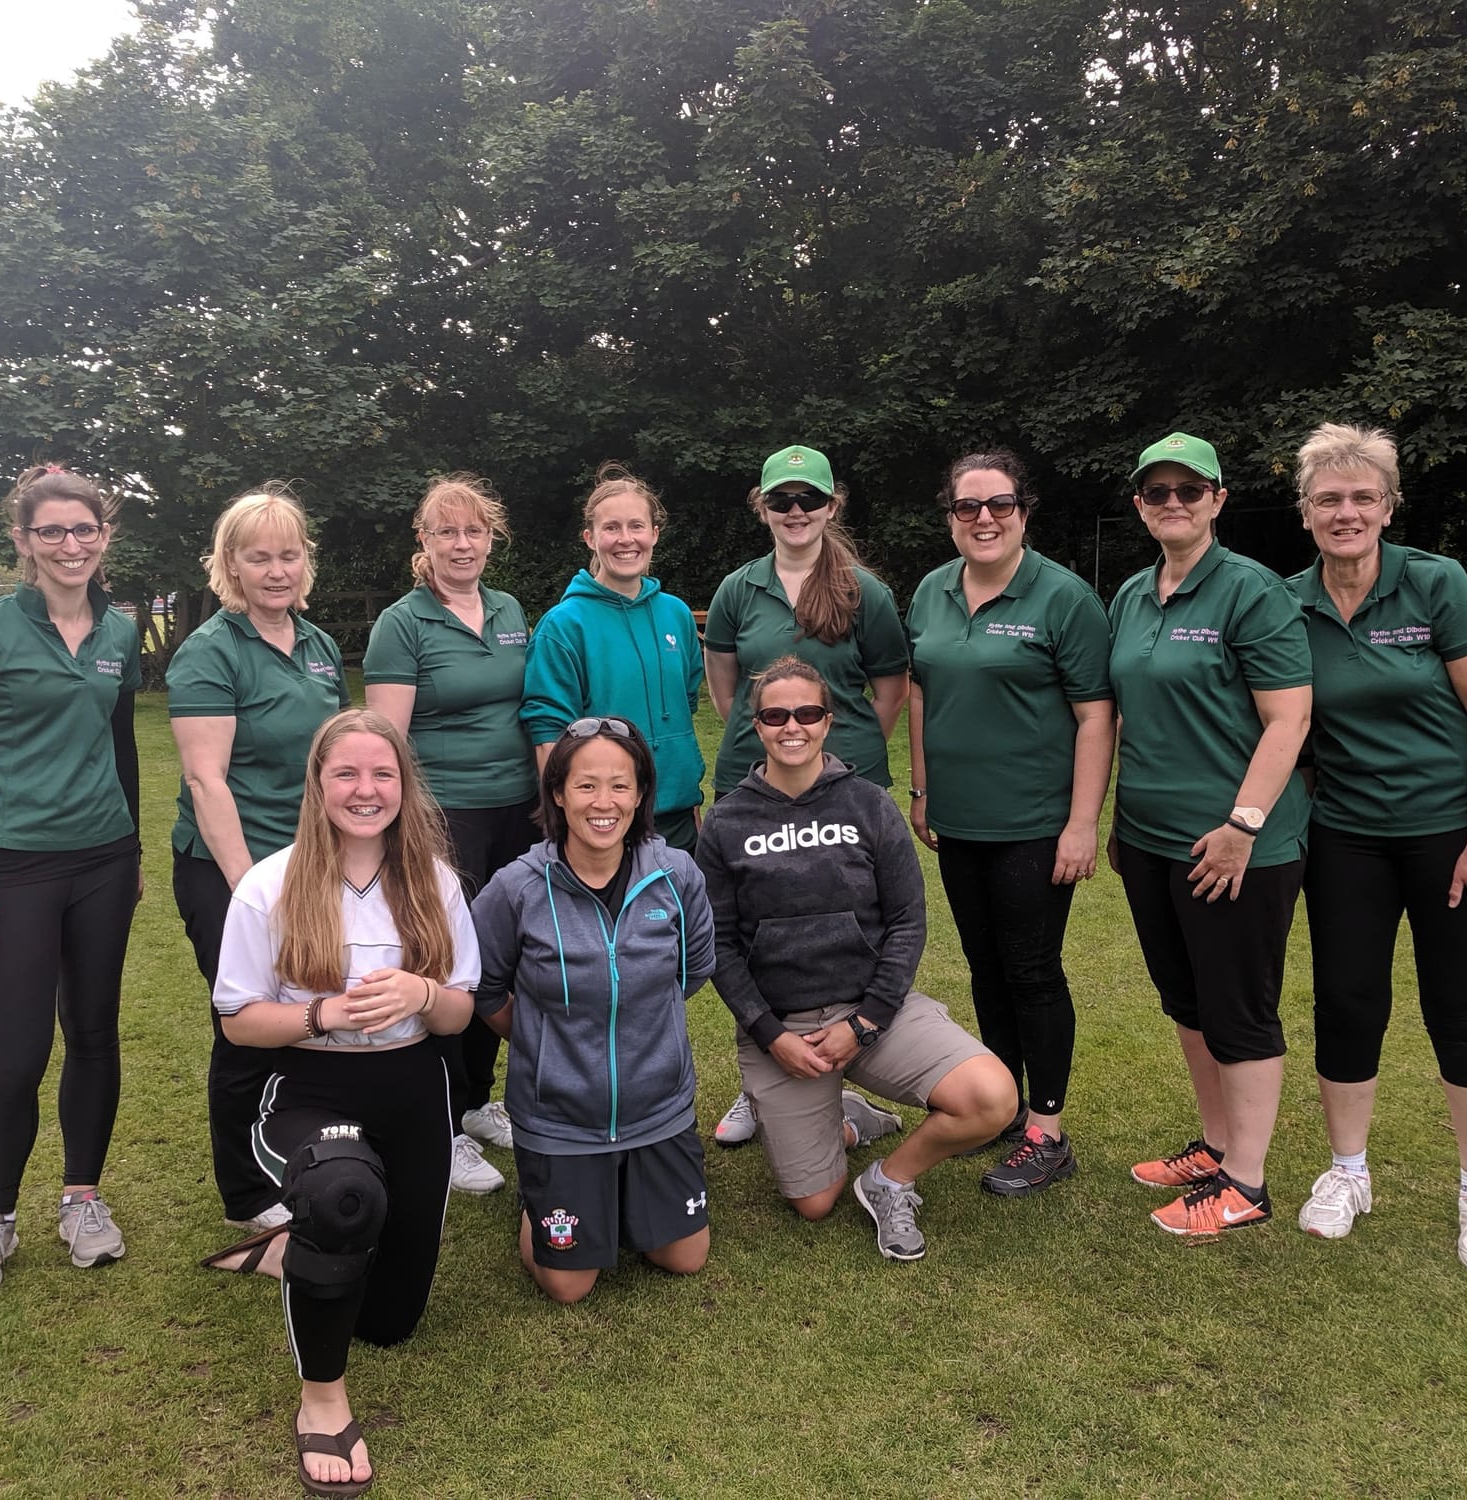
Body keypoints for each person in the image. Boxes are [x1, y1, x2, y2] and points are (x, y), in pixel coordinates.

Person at [200, 709, 480, 1496]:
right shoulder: (271, 883)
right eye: (346, 774)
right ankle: (322, 1400)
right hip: (310, 1084)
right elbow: (238, 1021)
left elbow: (459, 1012)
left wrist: (423, 990)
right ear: (318, 784)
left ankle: (297, 1246)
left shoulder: (438, 881)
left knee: (389, 1322)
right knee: (346, 1195)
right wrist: (321, 1012)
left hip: (414, 1087)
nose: (366, 790)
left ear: (404, 784)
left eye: (382, 774)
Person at [1285, 423, 1467, 1273]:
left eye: (1362, 497)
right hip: (1347, 836)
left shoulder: (1436, 583)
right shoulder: (1291, 601)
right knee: (1348, 1003)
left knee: (1462, 1008)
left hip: (1458, 838)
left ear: (1388, 506)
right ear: (1305, 509)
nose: (1345, 512)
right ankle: (1348, 1172)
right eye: (1328, 499)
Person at [696, 658, 1018, 1261]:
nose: (793, 727)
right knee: (814, 1201)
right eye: (775, 715)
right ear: (756, 725)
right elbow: (720, 942)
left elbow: (906, 922)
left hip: (874, 1014)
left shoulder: (869, 804)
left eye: (808, 713)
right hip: (782, 1030)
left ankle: (890, 1179)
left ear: (828, 719)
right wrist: (769, 1035)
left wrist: (865, 1022)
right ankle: (848, 1119)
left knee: (993, 1099)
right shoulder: (726, 820)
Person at [0, 464, 143, 1296]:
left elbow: (121, 746)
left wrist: (127, 855)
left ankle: (82, 1198)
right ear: (24, 541)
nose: (70, 545)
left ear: (103, 537)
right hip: (12, 868)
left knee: (93, 1033)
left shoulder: (119, 634)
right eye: (51, 531)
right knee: (17, 1055)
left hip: (102, 859)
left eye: (83, 530)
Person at [1106, 432, 1312, 1238]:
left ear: (1219, 501)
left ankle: (1248, 1185)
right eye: (1157, 492)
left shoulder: (1252, 591)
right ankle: (1215, 1146)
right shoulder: (1131, 594)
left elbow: (1289, 717)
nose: (1173, 504)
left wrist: (1241, 825)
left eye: (1190, 491)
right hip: (1153, 838)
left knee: (1239, 1008)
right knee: (1186, 1000)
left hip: (1239, 845)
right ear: (1140, 506)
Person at [905, 448, 1115, 1197]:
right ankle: (999, 1109)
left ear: (1025, 511)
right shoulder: (931, 591)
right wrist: (923, 790)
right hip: (959, 822)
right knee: (986, 968)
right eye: (968, 507)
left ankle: (1047, 1132)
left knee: (1031, 970)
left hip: (1034, 822)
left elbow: (1097, 716)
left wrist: (1082, 822)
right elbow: (923, 693)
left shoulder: (1063, 598)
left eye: (1000, 505)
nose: (984, 519)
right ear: (951, 515)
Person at [702, 444, 910, 1150]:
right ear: (761, 506)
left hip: (846, 787)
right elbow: (726, 683)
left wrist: (828, 756)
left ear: (832, 505)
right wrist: (774, 746)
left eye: (809, 500)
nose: (796, 512)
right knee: (757, 935)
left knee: (852, 930)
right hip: (752, 783)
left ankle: (845, 1080)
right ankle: (761, 1081)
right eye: (781, 500)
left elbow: (889, 687)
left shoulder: (863, 590)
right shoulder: (737, 588)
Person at [471, 717, 717, 1305]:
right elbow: (483, 987)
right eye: (586, 786)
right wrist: (539, 1039)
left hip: (658, 1105)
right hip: (560, 1117)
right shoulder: (517, 887)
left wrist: (636, 1021)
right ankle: (549, 1194)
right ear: (557, 793)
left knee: (684, 1257)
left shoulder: (676, 874)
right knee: (568, 1285)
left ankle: (620, 1190)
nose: (603, 803)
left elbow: (695, 968)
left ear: (640, 795)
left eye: (619, 786)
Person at [169, 484, 350, 1236]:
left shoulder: (318, 644)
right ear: (230, 566)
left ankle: (307, 1154)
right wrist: (251, 892)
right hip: (229, 871)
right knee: (247, 1022)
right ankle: (245, 1193)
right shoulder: (209, 653)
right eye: (258, 557)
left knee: (311, 1012)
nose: (276, 570)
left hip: (310, 866)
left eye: (289, 554)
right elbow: (206, 780)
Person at [366, 473, 537, 1197]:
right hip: (443, 818)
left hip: (519, 813)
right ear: (424, 542)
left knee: (500, 957)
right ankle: (440, 1120)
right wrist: (406, 829)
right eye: (446, 532)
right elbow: (385, 741)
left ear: (490, 539)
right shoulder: (402, 623)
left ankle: (476, 1101)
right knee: (444, 963)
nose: (461, 544)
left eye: (474, 531)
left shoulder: (508, 609)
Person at [521, 464, 706, 852]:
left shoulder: (677, 615)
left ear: (655, 533)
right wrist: (565, 827)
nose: (626, 540)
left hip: (678, 817)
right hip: (605, 821)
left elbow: (684, 707)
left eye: (636, 526)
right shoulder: (563, 626)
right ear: (590, 538)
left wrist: (688, 797)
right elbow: (548, 736)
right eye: (611, 528)